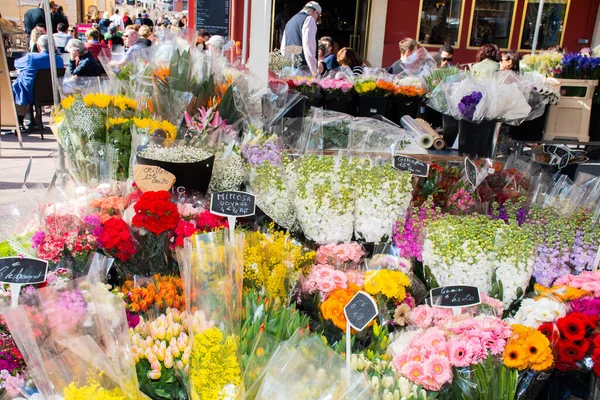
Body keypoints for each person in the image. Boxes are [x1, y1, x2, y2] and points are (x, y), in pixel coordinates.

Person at [12, 35, 65, 131]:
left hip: (31, 93)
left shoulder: (31, 58)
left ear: (38, 47)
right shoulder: (59, 60)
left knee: (18, 86)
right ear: (53, 46)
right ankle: (36, 119)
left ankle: (20, 121)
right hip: (52, 93)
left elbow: (16, 63)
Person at [281, 1, 321, 77]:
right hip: (301, 70)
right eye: (317, 18)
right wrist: (314, 70)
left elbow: (283, 47)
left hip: (287, 68)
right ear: (315, 12)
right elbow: (308, 46)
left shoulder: (291, 21)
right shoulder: (309, 19)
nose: (316, 21)